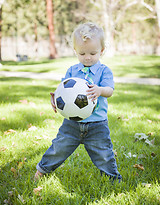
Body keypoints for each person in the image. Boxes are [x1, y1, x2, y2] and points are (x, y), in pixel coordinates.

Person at [34, 22, 122, 182]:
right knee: (58, 148)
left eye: (92, 53)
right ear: (75, 51)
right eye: (82, 53)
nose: (87, 57)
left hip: (97, 125)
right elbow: (63, 90)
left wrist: (100, 90)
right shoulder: (72, 71)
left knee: (104, 154)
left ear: (102, 51)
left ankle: (113, 179)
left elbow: (110, 90)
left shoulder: (104, 71)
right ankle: (42, 170)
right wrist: (55, 98)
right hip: (71, 124)